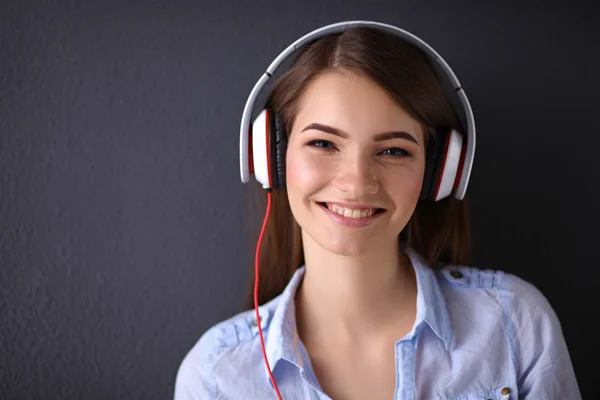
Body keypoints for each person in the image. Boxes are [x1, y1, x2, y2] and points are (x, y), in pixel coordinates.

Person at [174, 21, 581, 400]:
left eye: (393, 150)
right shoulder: (214, 374)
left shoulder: (517, 326)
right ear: (272, 158)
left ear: (440, 173)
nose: (356, 183)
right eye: (323, 143)